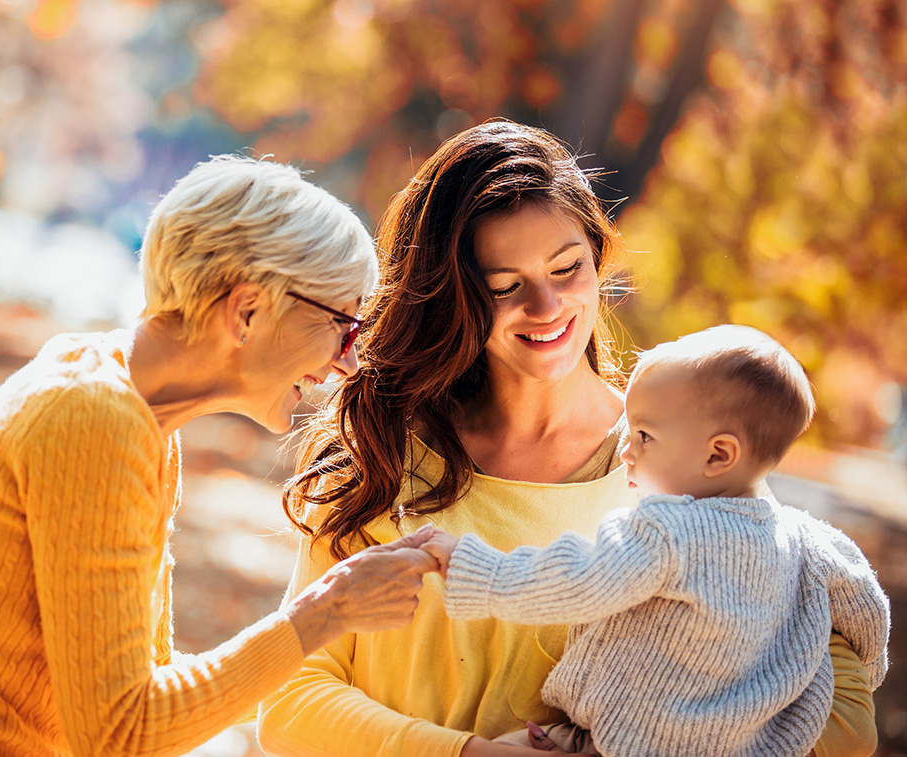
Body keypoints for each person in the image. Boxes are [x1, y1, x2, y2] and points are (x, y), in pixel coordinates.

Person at [256, 120, 880, 757]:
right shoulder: (384, 455)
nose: (547, 305)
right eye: (505, 286)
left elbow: (845, 724)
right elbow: (290, 698)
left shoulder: (677, 468)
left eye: (566, 267)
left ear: (597, 257)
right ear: (453, 298)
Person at [0, 155, 440, 757]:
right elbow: (122, 734)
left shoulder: (141, 416)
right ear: (248, 310)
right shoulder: (92, 419)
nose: (350, 361)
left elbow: (146, 686)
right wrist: (325, 611)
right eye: (344, 325)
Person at [420, 324, 891, 757]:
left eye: (644, 435)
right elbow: (869, 612)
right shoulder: (807, 540)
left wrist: (475, 567)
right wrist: (867, 671)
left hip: (624, 741)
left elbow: (578, 580)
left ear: (718, 454)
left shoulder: (667, 532)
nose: (625, 448)